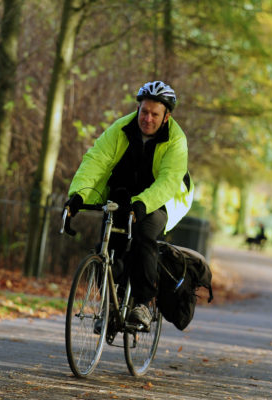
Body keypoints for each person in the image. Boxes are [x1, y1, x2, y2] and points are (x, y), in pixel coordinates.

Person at [64, 81, 194, 329]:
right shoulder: (121, 128)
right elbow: (96, 161)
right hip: (125, 192)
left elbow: (168, 182)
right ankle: (113, 304)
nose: (147, 118)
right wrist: (78, 196)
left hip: (163, 197)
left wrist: (143, 204)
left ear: (166, 116)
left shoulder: (176, 141)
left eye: (154, 114)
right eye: (143, 111)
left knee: (144, 235)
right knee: (109, 242)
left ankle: (143, 304)